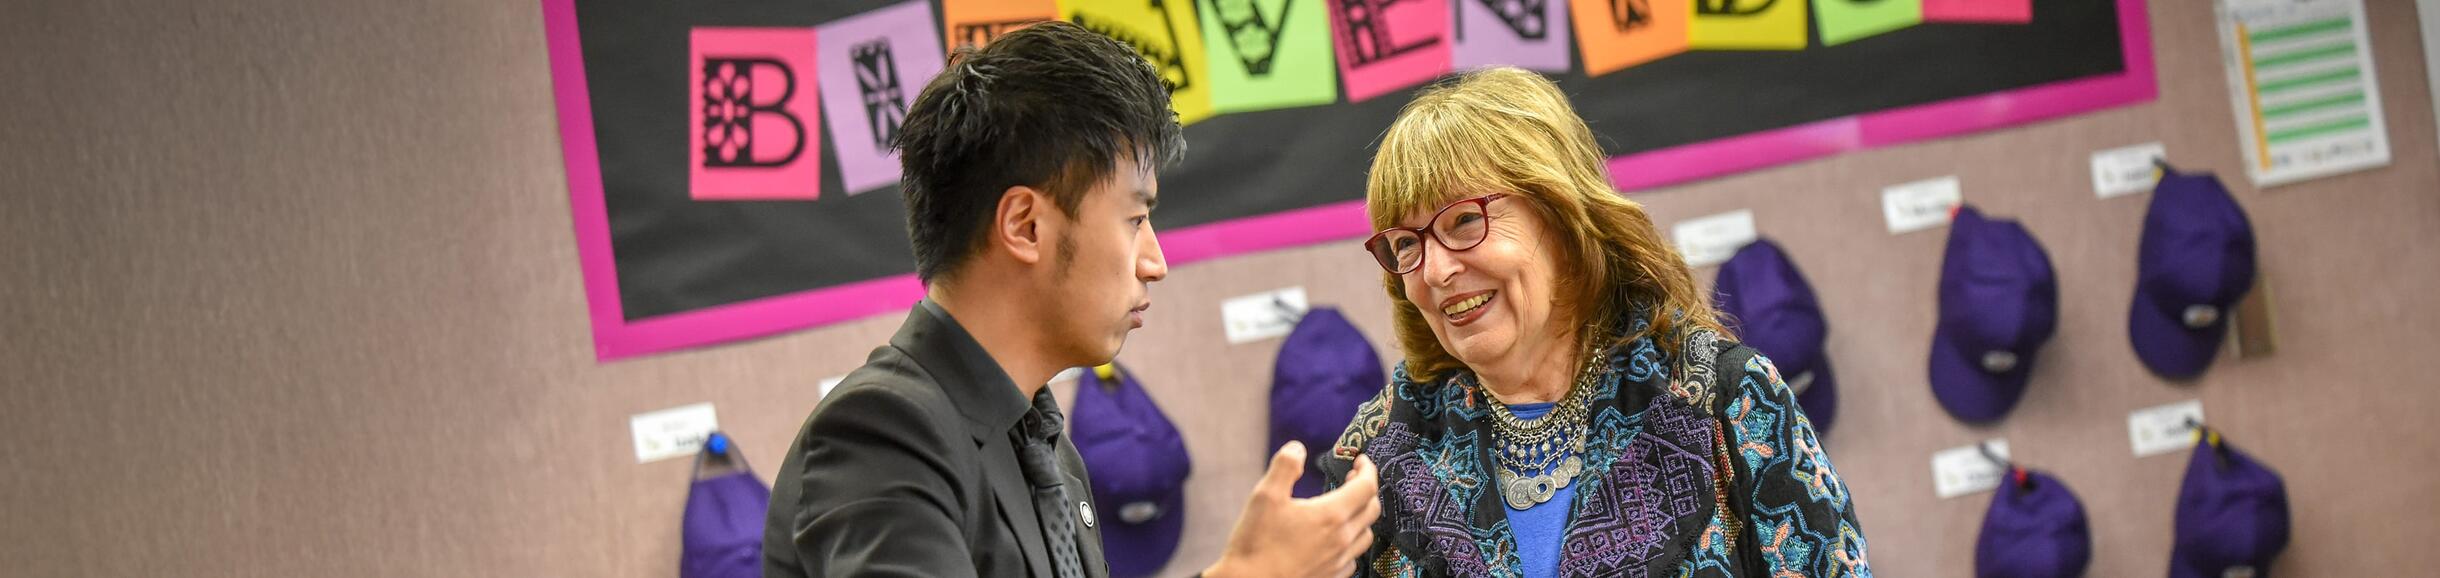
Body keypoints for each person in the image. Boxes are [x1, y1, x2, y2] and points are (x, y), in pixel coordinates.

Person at [762, 22, 1381, 578]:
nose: (1155, 263)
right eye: (1135, 218)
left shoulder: (1046, 443)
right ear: (1026, 226)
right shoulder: (881, 432)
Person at [1318, 67, 1872, 577]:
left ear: (1562, 219)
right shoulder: (1377, 459)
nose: (1435, 270)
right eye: (1406, 244)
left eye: (1465, 220)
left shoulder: (1726, 401)